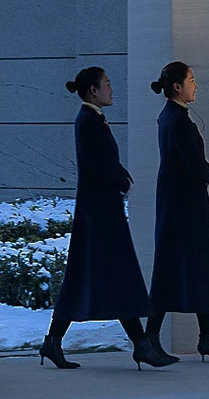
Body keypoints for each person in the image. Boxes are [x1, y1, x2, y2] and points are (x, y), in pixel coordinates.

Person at [40, 67, 173, 370]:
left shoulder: (92, 119)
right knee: (112, 275)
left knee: (102, 276)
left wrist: (121, 178)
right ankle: (141, 345)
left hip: (102, 212)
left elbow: (103, 161)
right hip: (98, 214)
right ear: (92, 90)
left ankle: (56, 342)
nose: (112, 90)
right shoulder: (87, 121)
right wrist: (122, 181)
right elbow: (97, 164)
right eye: (107, 85)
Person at [146, 61, 209, 362]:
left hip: (177, 206)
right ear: (177, 86)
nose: (195, 85)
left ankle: (201, 338)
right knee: (194, 267)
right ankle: (194, 339)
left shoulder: (168, 117)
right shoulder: (180, 122)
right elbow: (195, 166)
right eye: (191, 79)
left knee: (182, 269)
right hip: (187, 209)